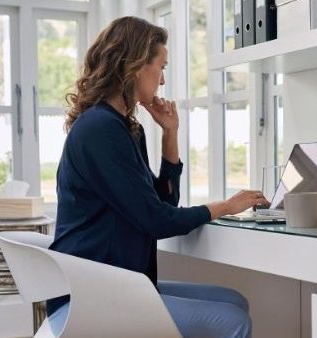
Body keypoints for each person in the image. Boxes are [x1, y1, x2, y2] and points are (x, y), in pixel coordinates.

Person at [45, 16, 268, 338]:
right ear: (134, 66)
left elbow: (163, 201)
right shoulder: (100, 129)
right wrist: (225, 206)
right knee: (232, 321)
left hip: (118, 281)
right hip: (91, 294)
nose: (163, 81)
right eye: (161, 66)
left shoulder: (124, 128)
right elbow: (157, 220)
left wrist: (170, 134)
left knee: (235, 301)